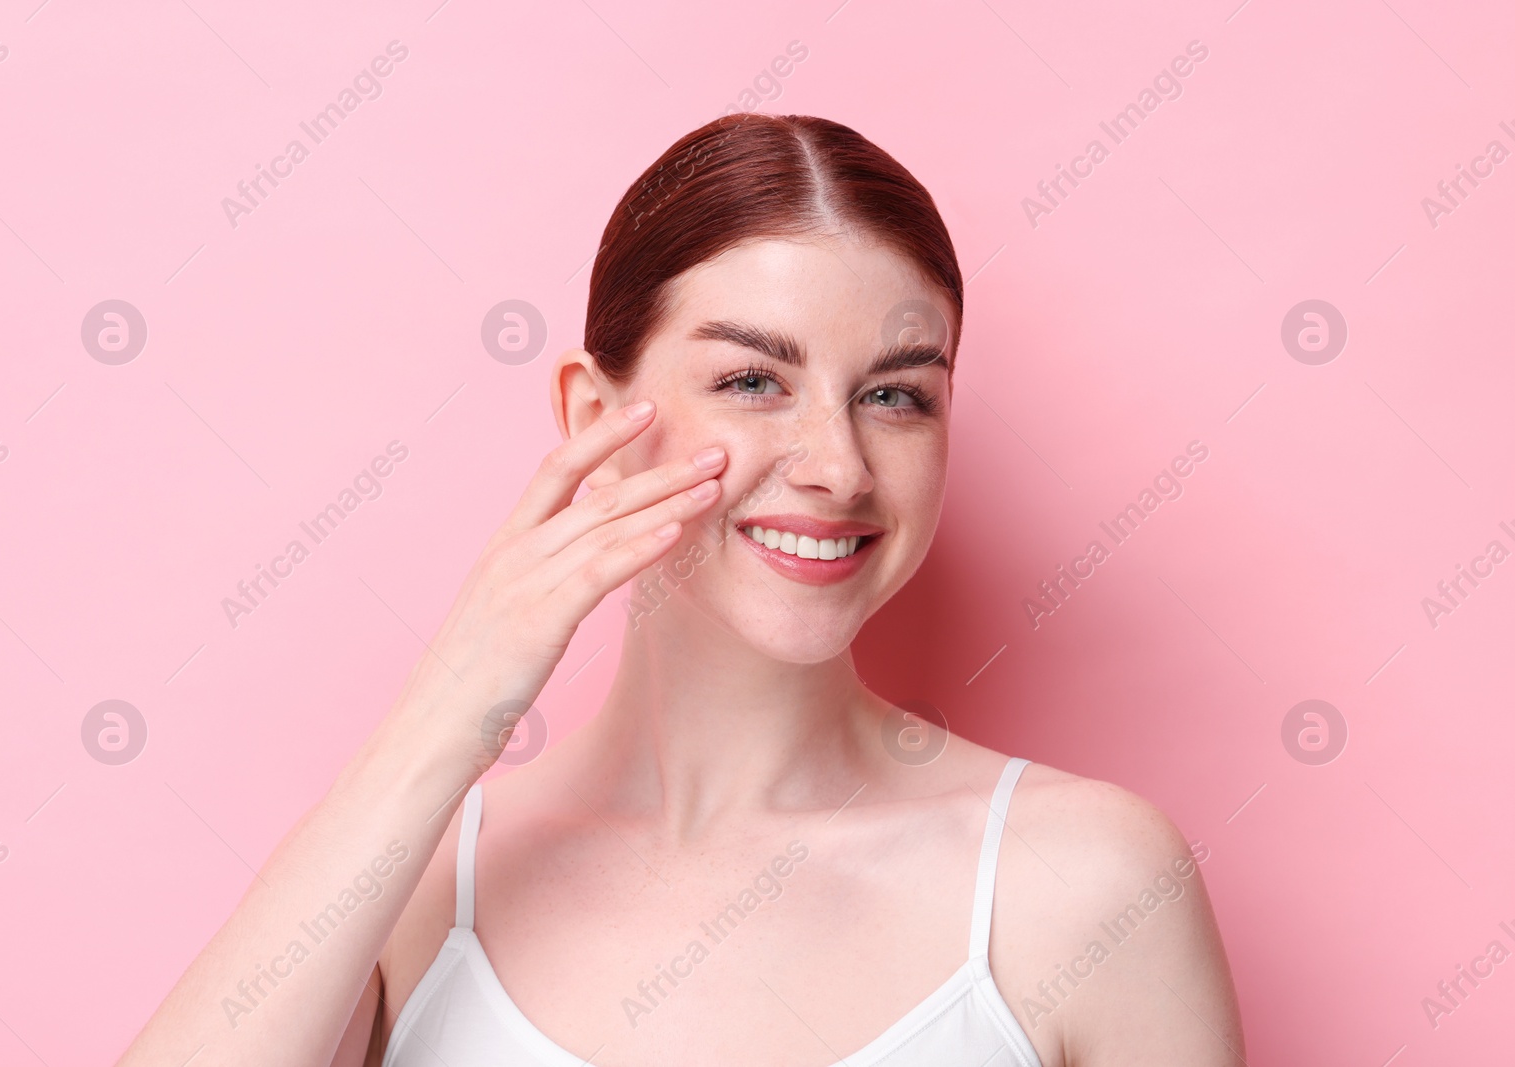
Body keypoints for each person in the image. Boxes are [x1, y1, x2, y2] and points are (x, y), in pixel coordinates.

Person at [117, 113, 1243, 1067]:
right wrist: (451, 709)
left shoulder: (1081, 884)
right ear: (595, 420)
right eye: (752, 380)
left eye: (896, 396)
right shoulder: (413, 879)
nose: (837, 467)